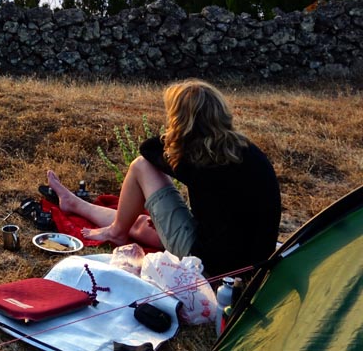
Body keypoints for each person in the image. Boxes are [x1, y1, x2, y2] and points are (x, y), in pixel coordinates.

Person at [46, 79, 281, 275]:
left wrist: (175, 135)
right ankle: (76, 204)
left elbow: (147, 149)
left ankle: (116, 231)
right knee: (139, 224)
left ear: (182, 121)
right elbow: (224, 215)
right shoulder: (247, 150)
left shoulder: (197, 159)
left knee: (140, 167)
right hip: (252, 262)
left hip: (209, 264)